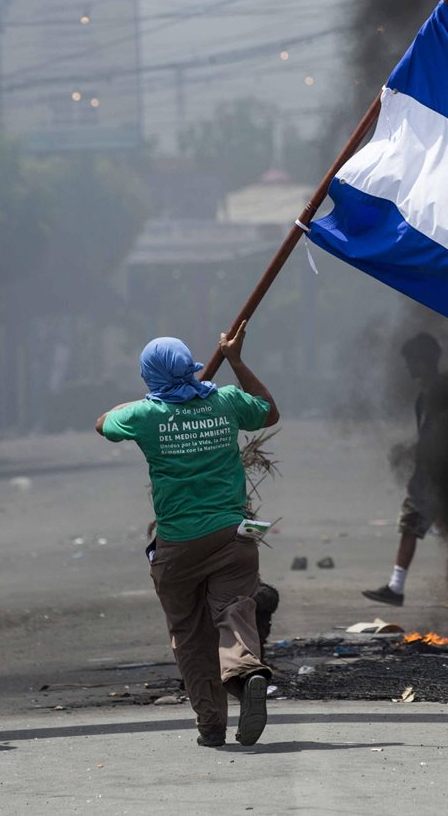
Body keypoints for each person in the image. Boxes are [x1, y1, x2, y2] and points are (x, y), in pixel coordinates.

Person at [96, 321, 279, 748]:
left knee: (189, 633)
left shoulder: (145, 415)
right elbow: (268, 411)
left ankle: (211, 724)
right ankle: (247, 672)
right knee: (234, 611)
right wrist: (235, 360)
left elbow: (103, 423)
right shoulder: (227, 401)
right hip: (233, 537)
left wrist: (155, 396)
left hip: (178, 545)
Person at [362, 332, 442, 607]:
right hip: (439, 472)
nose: (408, 367)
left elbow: (436, 436)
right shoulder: (433, 391)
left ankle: (396, 587)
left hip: (434, 474)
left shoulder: (435, 393)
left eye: (411, 361)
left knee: (411, 524)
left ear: (424, 361)